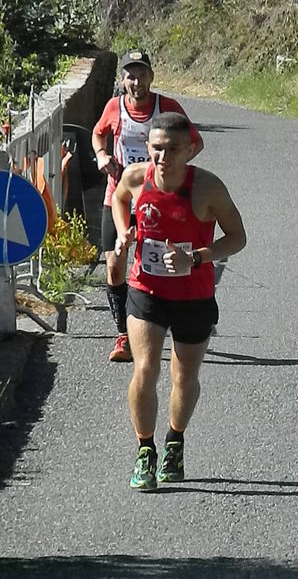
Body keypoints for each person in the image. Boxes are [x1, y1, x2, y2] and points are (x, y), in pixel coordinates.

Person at [112, 112, 246, 490]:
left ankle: (174, 439)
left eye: (172, 149)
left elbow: (237, 236)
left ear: (190, 150)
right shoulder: (137, 177)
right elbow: (121, 200)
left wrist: (198, 257)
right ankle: (144, 451)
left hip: (193, 295)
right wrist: (125, 235)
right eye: (156, 148)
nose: (162, 157)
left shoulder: (208, 189)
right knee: (145, 368)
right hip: (146, 290)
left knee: (184, 376)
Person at [92, 50, 204, 362]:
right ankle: (124, 335)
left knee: (155, 265)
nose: (136, 82)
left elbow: (196, 142)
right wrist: (102, 156)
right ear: (123, 79)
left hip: (156, 201)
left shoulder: (167, 108)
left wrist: (171, 173)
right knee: (115, 262)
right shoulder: (115, 107)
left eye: (142, 75)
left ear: (151, 77)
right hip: (119, 195)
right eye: (130, 75)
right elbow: (98, 133)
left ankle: (162, 324)